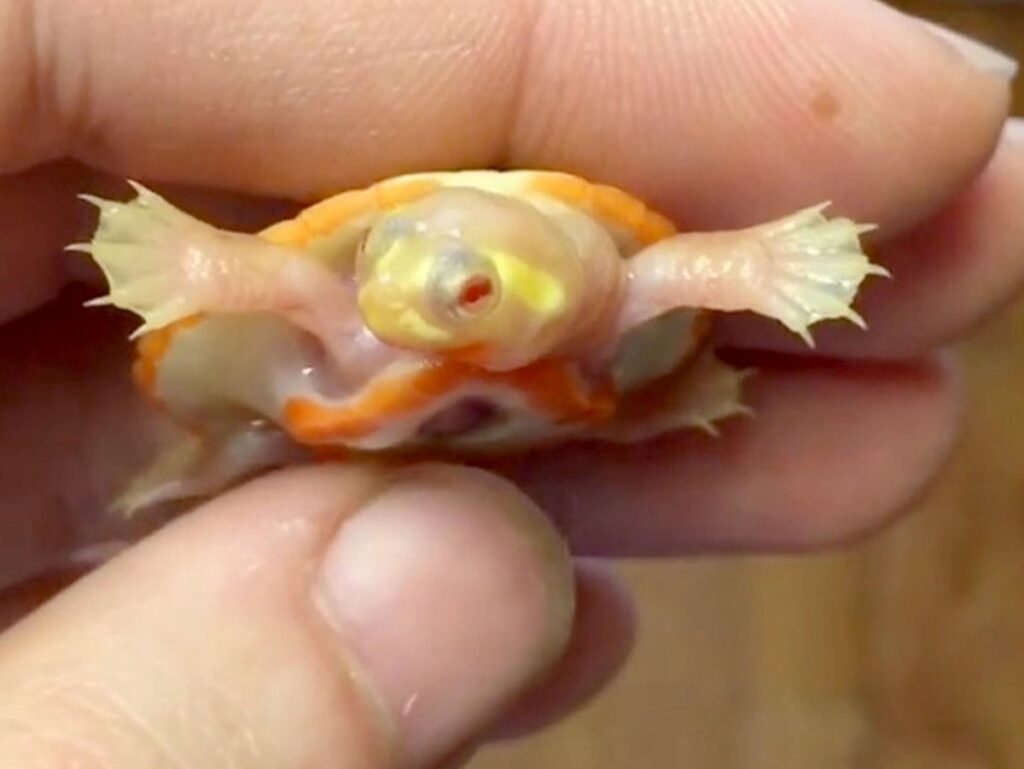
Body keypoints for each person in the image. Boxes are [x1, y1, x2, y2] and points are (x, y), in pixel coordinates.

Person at [0, 1, 1020, 766]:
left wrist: (764, 263)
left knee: (617, 413)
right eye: (384, 272)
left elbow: (678, 270)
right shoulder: (350, 299)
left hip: (547, 398)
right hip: (326, 393)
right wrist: (195, 262)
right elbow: (288, 277)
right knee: (256, 428)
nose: (399, 304)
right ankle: (199, 459)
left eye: (464, 293)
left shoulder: (609, 289)